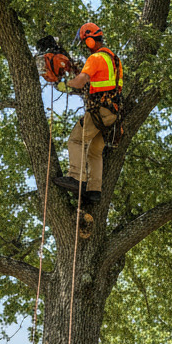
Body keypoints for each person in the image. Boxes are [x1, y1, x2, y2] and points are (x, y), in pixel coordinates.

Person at [35, 23, 124, 208]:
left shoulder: (96, 57)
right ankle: (94, 191)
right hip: (113, 114)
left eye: (85, 41)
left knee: (76, 140)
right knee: (94, 152)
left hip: (100, 111)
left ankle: (76, 178)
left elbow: (81, 80)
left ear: (91, 39)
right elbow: (95, 85)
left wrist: (66, 84)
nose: (85, 45)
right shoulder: (113, 59)